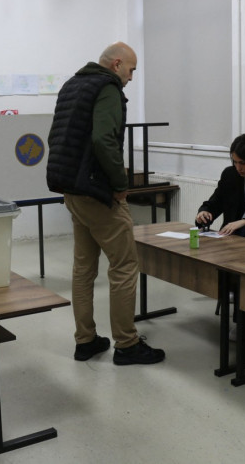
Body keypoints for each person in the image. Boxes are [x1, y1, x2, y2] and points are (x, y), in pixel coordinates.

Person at [46, 41, 165, 366]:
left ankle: (85, 340)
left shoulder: (72, 86)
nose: (131, 77)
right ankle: (127, 344)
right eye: (131, 70)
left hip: (72, 189)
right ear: (116, 64)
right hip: (98, 192)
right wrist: (120, 185)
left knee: (84, 268)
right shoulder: (107, 88)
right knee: (124, 265)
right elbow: (103, 140)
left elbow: (55, 137)